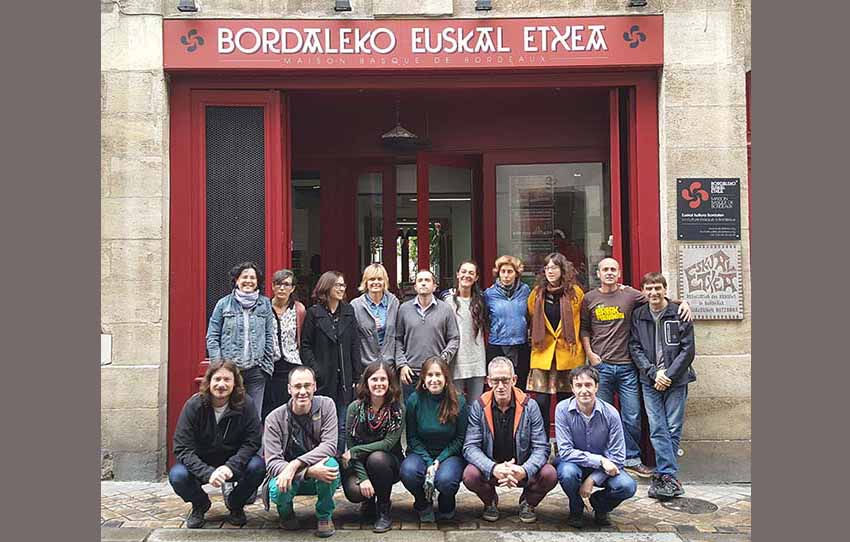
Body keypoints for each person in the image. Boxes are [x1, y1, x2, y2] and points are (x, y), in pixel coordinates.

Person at [580, 257, 691, 478]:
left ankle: (631, 458)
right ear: (598, 273)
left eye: (613, 269)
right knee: (601, 415)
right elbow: (584, 329)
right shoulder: (589, 298)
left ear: (619, 273)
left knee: (632, 416)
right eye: (605, 270)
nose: (609, 273)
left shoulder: (631, 294)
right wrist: (590, 354)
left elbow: (657, 297)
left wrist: (683, 303)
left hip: (627, 366)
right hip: (601, 367)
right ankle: (603, 458)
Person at [170, 361, 265, 529]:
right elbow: (182, 448)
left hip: (234, 462)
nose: (221, 384)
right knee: (178, 475)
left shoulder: (246, 405)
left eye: (227, 379)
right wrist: (207, 473)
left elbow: (252, 442)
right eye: (217, 379)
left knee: (258, 466)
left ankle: (236, 504)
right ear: (209, 382)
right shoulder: (194, 406)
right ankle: (200, 504)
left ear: (235, 382)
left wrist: (230, 467)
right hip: (202, 462)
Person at [462, 357, 557, 524]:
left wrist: (524, 470)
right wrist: (493, 467)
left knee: (549, 474)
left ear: (514, 380)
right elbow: (470, 447)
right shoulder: (479, 406)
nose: (500, 386)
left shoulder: (530, 406)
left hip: (522, 467)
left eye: (505, 380)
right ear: (488, 381)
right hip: (492, 468)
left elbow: (541, 447)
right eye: (496, 380)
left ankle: (528, 502)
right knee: (470, 475)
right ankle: (490, 501)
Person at [629, 272, 696, 499]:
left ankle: (665, 475)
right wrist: (653, 373)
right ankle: (669, 477)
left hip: (676, 381)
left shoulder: (679, 313)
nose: (654, 293)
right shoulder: (639, 315)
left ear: (665, 289)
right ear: (644, 292)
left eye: (658, 288)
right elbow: (635, 347)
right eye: (649, 289)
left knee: (673, 427)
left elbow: (688, 349)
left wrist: (668, 374)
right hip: (650, 381)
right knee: (658, 428)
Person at [261, 366, 341, 538]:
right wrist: (306, 471)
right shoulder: (274, 419)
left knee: (331, 466)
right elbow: (273, 462)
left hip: (315, 473)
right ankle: (286, 513)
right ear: (289, 389)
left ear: (314, 386)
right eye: (297, 386)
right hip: (289, 478)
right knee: (277, 488)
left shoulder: (327, 405)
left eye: (307, 385)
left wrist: (295, 464)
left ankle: (324, 515)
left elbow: (329, 446)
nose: (302, 391)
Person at [555, 365, 637, 529]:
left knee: (627, 486)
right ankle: (576, 508)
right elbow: (565, 451)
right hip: (574, 464)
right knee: (567, 473)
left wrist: (593, 479)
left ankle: (600, 506)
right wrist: (599, 460)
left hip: (604, 469)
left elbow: (618, 457)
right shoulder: (562, 410)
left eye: (588, 385)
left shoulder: (611, 413)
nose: (584, 390)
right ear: (572, 388)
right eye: (578, 385)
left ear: (597, 386)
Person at [399, 356, 468, 523]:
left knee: (445, 480)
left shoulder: (458, 401)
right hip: (421, 452)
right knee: (408, 471)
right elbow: (412, 438)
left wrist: (439, 460)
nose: (434, 380)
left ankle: (446, 502)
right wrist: (429, 462)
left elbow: (460, 439)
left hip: (450, 454)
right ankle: (422, 502)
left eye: (438, 375)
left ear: (446, 378)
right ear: (423, 379)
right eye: (430, 375)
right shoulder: (414, 400)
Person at [301, 270, 363, 455]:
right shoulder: (314, 313)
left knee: (342, 424)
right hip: (323, 378)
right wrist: (315, 370)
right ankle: (321, 460)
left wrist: (356, 374)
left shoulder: (348, 311)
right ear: (326, 286)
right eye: (337, 285)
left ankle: (335, 466)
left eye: (343, 285)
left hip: (344, 377)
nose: (342, 289)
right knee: (320, 424)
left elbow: (354, 344)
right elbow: (305, 346)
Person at [340, 361, 405, 533]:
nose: (379, 383)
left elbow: (388, 444)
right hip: (360, 465)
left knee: (377, 458)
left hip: (388, 463)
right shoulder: (354, 408)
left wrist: (355, 451)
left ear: (390, 382)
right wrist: (363, 478)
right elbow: (351, 443)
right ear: (366, 382)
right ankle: (368, 501)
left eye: (383, 379)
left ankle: (383, 509)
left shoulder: (397, 409)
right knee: (355, 491)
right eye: (374, 379)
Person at [206, 261, 276, 420]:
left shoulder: (264, 304)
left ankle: (252, 447)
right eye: (244, 277)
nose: (249, 281)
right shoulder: (223, 304)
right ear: (236, 280)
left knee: (254, 418)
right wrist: (219, 367)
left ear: (258, 282)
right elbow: (212, 336)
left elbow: (269, 336)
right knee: (229, 417)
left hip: (256, 372)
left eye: (253, 278)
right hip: (229, 372)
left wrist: (266, 366)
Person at [526, 253, 586, 437]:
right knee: (541, 402)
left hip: (568, 354)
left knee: (566, 402)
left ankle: (565, 442)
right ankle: (542, 443)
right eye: (547, 268)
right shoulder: (536, 294)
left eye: (554, 267)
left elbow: (583, 320)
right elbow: (530, 316)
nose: (550, 271)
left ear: (562, 270)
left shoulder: (576, 293)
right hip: (542, 353)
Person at [395, 269, 460, 399]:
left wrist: (443, 359)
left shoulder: (445, 309)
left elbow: (454, 338)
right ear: (415, 286)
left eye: (427, 280)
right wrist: (402, 365)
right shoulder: (404, 309)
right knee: (412, 414)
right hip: (411, 373)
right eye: (420, 280)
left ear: (434, 286)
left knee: (437, 413)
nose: (423, 283)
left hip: (437, 373)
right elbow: (397, 339)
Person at [442, 261, 489, 404]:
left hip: (477, 360)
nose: (466, 275)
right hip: (455, 361)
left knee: (475, 406)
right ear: (457, 274)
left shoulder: (482, 300)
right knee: (457, 406)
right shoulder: (447, 300)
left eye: (471, 273)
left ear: (476, 278)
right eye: (463, 271)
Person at [483, 255, 532, 389]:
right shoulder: (489, 294)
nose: (506, 275)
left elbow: (530, 314)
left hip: (520, 345)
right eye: (503, 271)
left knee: (519, 386)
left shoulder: (525, 291)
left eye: (510, 272)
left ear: (516, 274)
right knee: (498, 387)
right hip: (497, 345)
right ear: (498, 273)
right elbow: (485, 318)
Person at [264, 269, 307, 420]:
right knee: (270, 409)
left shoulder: (299, 309)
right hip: (270, 366)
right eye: (278, 284)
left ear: (292, 288)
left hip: (292, 364)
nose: (282, 288)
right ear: (272, 286)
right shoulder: (264, 308)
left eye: (286, 284)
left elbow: (303, 338)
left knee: (291, 409)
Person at [350, 263, 402, 368]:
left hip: (389, 365)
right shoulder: (356, 305)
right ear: (366, 282)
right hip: (366, 366)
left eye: (379, 279)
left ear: (385, 282)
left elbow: (398, 336)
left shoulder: (394, 303)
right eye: (372, 279)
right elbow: (353, 339)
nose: (376, 282)